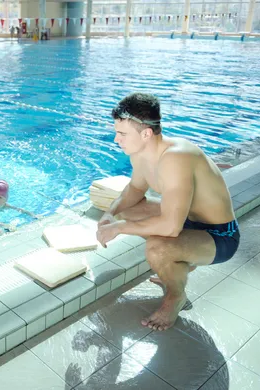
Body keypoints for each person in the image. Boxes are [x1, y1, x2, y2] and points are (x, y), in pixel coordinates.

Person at [96, 93, 239, 331]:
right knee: (128, 212)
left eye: (122, 134)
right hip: (188, 222)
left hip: (220, 236)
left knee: (157, 248)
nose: (116, 139)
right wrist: (111, 214)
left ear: (145, 133)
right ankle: (179, 263)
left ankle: (175, 297)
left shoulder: (176, 157)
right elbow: (134, 189)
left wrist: (118, 228)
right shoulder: (141, 155)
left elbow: (170, 227)